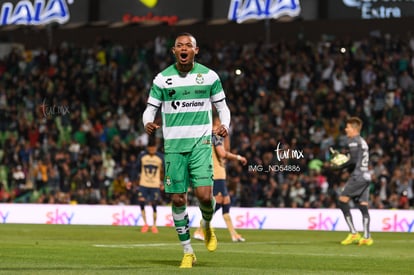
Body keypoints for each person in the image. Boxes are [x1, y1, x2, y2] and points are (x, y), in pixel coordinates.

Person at [142, 32, 231, 268]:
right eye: (179, 45)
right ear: (174, 51)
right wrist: (147, 123)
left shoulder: (209, 76)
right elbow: (149, 110)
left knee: (204, 195)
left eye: (188, 45)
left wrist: (225, 125)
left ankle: (207, 224)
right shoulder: (162, 79)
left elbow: (223, 108)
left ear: (195, 50)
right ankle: (188, 251)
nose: (183, 48)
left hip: (201, 144)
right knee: (178, 198)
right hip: (173, 147)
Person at [193, 116, 247, 242]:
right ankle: (200, 230)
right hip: (216, 175)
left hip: (219, 174)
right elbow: (223, 154)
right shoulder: (214, 136)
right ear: (216, 123)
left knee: (226, 202)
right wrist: (239, 158)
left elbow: (224, 150)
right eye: (222, 124)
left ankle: (234, 234)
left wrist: (226, 137)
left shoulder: (211, 136)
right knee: (217, 202)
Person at [331, 117, 373, 246]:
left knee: (342, 201)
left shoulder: (353, 140)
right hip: (366, 175)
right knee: (363, 205)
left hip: (358, 176)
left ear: (354, 129)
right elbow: (356, 159)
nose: (345, 129)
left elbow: (354, 161)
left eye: (348, 127)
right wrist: (345, 158)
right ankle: (366, 237)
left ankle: (354, 233)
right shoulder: (362, 141)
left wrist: (340, 166)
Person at [136, 140, 164, 234]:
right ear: (148, 148)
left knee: (154, 204)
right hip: (143, 183)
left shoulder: (160, 157)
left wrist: (164, 183)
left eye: (154, 148)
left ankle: (154, 225)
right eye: (150, 148)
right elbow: (136, 168)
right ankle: (145, 224)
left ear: (156, 148)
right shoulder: (142, 156)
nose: (152, 150)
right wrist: (132, 180)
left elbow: (165, 170)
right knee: (141, 201)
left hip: (155, 184)